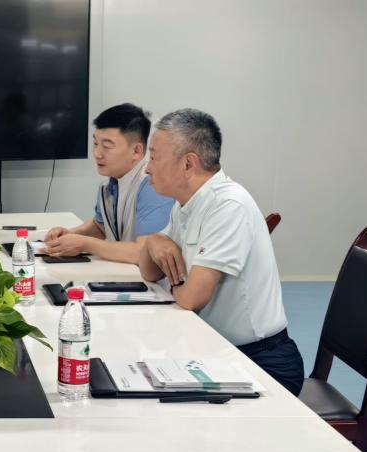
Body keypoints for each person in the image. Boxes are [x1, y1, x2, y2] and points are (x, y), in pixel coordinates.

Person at [137, 108, 304, 395]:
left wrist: (175, 282)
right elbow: (149, 271)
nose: (147, 168)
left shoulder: (228, 205)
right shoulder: (187, 203)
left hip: (260, 362)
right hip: (215, 352)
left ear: (188, 164)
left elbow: (191, 298)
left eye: (154, 157)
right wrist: (154, 241)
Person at [43, 103, 174, 264]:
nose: (97, 153)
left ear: (136, 151)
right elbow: (101, 226)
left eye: (106, 146)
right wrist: (70, 235)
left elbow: (144, 252)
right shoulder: (110, 182)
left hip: (151, 278)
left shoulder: (152, 184)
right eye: (95, 144)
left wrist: (84, 243)